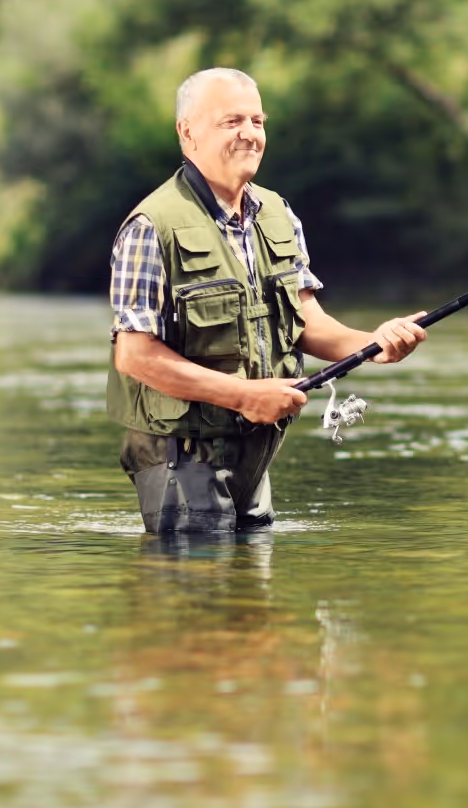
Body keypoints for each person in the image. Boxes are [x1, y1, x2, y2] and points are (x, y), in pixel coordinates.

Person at [107, 68, 426, 534]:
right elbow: (134, 356)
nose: (250, 134)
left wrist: (375, 342)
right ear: (187, 132)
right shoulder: (150, 226)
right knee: (195, 600)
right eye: (232, 121)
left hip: (255, 454)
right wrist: (244, 395)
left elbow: (306, 322)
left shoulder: (278, 215)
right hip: (181, 459)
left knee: (252, 602)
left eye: (257, 121)